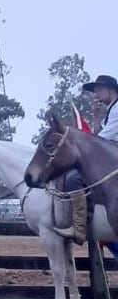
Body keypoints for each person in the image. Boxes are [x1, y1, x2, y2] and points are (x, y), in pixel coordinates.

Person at [54, 74, 118, 243]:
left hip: (114, 157)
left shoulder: (117, 108)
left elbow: (103, 140)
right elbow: (99, 136)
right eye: (95, 91)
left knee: (74, 179)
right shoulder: (111, 110)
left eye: (99, 90)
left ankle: (79, 227)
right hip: (111, 154)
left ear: (111, 90)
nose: (95, 95)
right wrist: (96, 117)